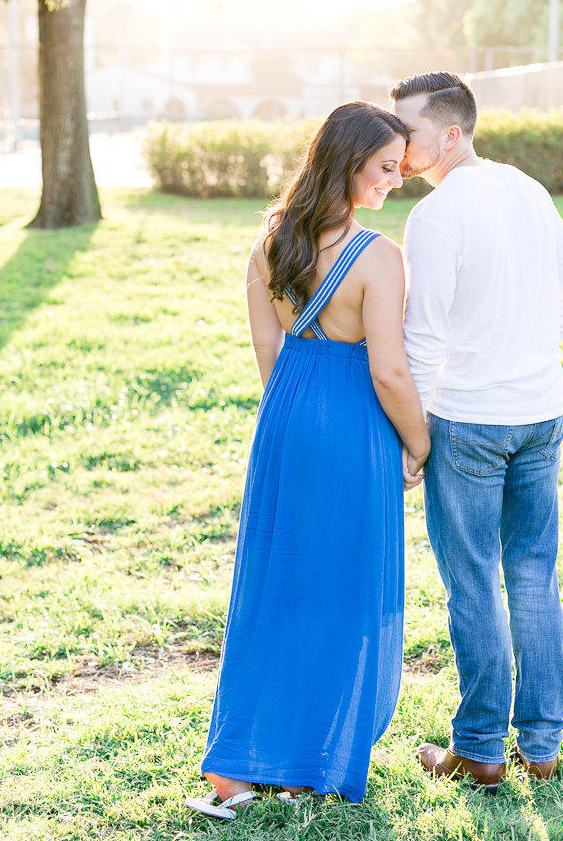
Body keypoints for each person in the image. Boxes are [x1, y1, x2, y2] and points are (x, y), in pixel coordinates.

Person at [185, 101, 431, 819]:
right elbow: (389, 372)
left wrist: (298, 418)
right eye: (386, 167)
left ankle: (239, 766)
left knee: (275, 589)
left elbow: (270, 357)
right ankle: (311, 763)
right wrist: (418, 443)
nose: (395, 180)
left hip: (286, 422)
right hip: (356, 426)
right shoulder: (379, 257)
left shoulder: (268, 247)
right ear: (347, 162)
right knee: (345, 591)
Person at [390, 71, 563, 787]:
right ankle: (542, 748)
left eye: (406, 130)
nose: (397, 143)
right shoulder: (528, 189)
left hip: (467, 420)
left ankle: (477, 749)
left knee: (473, 582)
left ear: (449, 133)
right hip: (540, 411)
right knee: (533, 576)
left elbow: (421, 339)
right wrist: (521, 355)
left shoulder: (436, 215)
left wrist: (409, 435)